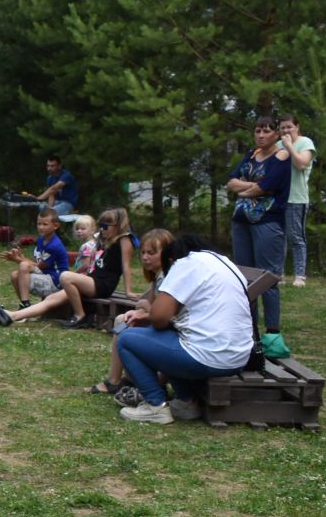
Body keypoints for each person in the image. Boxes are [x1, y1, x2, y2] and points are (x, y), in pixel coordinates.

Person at [115, 236, 256, 424]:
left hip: (207, 356)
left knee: (126, 338)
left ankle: (156, 406)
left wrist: (149, 315)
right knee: (171, 338)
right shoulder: (224, 262)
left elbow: (159, 318)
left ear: (171, 260)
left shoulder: (185, 263)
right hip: (238, 358)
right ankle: (186, 402)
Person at [0, 208, 135, 329]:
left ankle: (80, 316)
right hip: (92, 280)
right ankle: (11, 316)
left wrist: (129, 291)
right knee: (51, 299)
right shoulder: (107, 239)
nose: (101, 230)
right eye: (100, 226)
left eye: (105, 227)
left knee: (66, 276)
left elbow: (126, 266)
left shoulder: (124, 239)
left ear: (117, 226)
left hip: (103, 284)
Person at [225, 113, 292, 343]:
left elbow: (266, 186)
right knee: (244, 277)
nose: (261, 135)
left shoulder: (281, 158)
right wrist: (251, 187)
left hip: (267, 222)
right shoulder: (250, 155)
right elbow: (231, 182)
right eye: (257, 130)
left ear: (276, 134)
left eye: (266, 131)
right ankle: (249, 331)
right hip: (241, 221)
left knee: (267, 278)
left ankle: (272, 333)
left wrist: (249, 189)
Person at [90, 228, 171, 401]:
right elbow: (148, 303)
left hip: (168, 329)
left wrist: (146, 307)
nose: (145, 257)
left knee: (124, 323)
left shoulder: (167, 277)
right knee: (123, 320)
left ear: (166, 253)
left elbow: (163, 314)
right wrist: (143, 307)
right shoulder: (159, 276)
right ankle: (125, 377)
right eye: (143, 253)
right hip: (162, 325)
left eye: (151, 253)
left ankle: (115, 379)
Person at [0, 209, 69, 323]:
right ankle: (25, 306)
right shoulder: (41, 240)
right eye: (38, 223)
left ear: (55, 226)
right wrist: (20, 259)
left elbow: (39, 266)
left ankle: (25, 306)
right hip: (45, 275)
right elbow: (35, 265)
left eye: (45, 224)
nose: (40, 227)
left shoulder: (54, 245)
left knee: (23, 266)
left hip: (56, 283)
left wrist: (18, 259)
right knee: (15, 275)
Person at [279, 113, 315, 286]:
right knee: (279, 237)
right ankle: (278, 273)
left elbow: (301, 163)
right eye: (283, 127)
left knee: (296, 237)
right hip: (279, 197)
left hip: (296, 197)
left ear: (297, 127)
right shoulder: (277, 145)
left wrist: (289, 147)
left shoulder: (305, 142)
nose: (286, 130)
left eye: (289, 127)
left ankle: (300, 275)